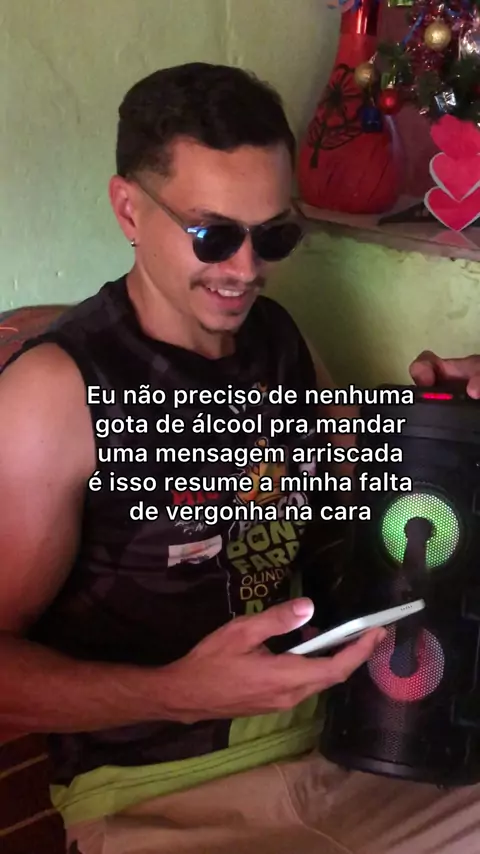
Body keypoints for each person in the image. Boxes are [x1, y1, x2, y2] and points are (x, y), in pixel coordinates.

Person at [0, 62, 479, 854]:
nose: (246, 270)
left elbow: (368, 486)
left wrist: (446, 410)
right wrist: (177, 694)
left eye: (274, 235)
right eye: (213, 234)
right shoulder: (57, 395)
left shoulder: (277, 340)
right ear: (128, 208)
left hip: (350, 744)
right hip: (163, 794)